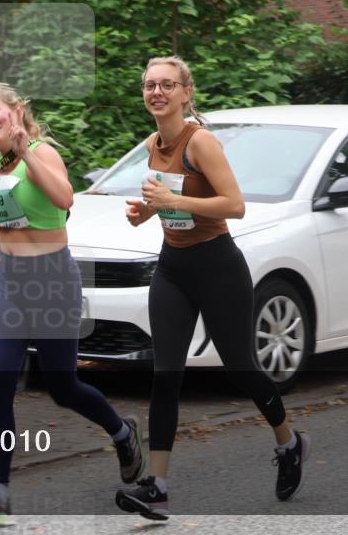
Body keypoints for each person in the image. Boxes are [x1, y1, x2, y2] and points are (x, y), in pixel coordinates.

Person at [114, 56, 310, 521]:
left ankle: (289, 443)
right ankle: (157, 487)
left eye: (166, 85)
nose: (156, 92)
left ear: (185, 92)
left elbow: (235, 205)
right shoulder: (152, 143)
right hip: (172, 268)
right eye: (149, 85)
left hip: (218, 266)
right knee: (166, 374)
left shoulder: (200, 142)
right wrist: (147, 211)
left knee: (241, 368)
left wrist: (170, 201)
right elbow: (165, 199)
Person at [0, 82, 146, 527]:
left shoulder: (43, 153)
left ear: (17, 110)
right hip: (9, 284)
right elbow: (6, 224)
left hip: (52, 281)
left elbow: (63, 199)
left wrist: (28, 151)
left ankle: (122, 432)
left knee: (63, 387)